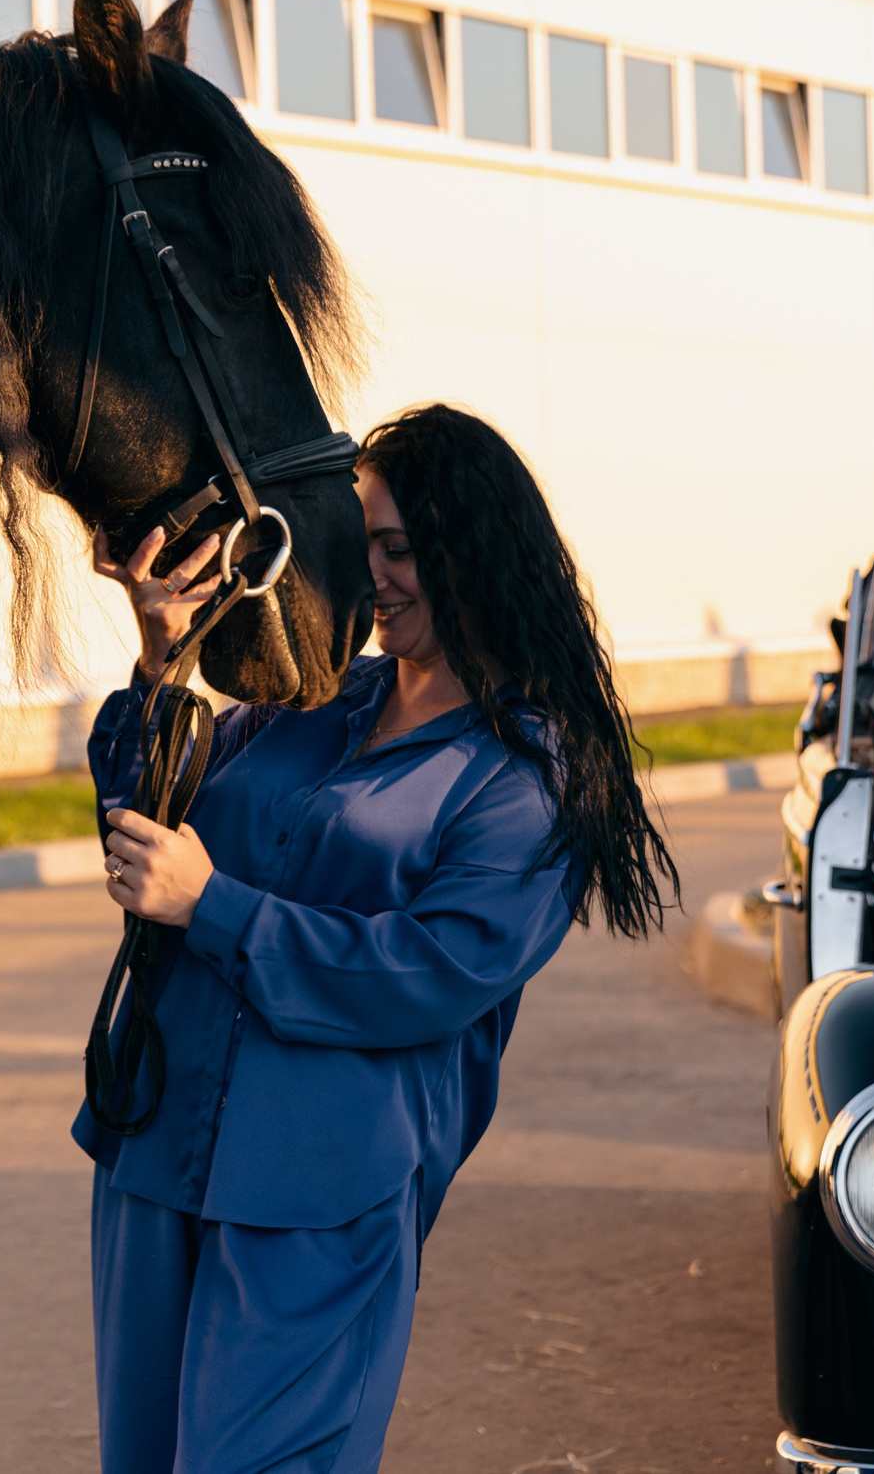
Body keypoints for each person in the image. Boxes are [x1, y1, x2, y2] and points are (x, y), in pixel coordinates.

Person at [74, 402, 678, 1474]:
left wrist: (212, 904)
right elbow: (146, 821)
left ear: (470, 551)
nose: (374, 575)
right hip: (158, 1149)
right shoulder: (314, 701)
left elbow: (431, 975)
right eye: (364, 548)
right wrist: (162, 659)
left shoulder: (523, 781)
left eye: (398, 549)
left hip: (316, 1190)